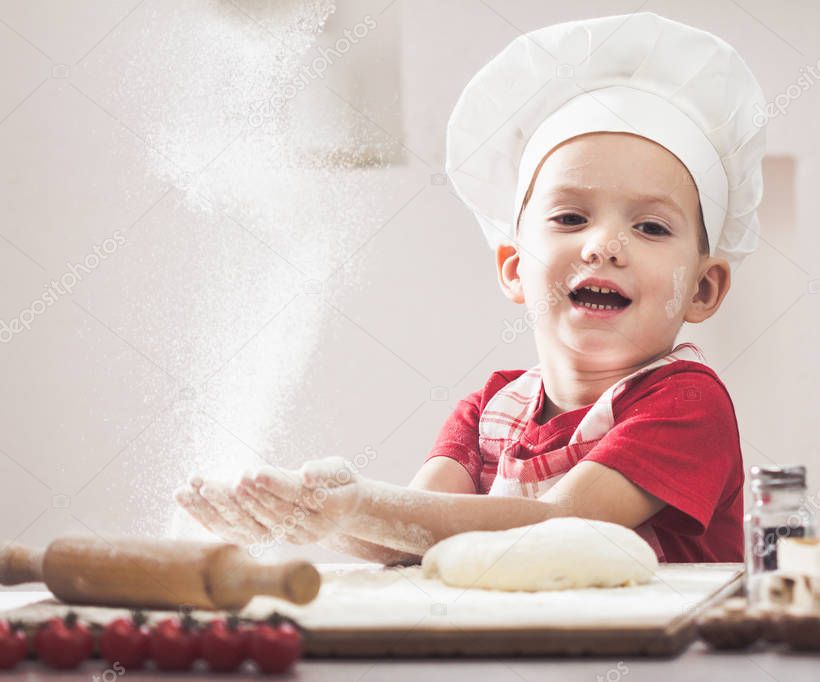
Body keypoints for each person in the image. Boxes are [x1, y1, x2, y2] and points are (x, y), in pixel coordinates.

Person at [176, 11, 767, 564]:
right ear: (513, 267)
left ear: (703, 289)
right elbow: (413, 538)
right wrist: (304, 513)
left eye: (650, 226)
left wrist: (355, 503)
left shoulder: (688, 405)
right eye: (570, 218)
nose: (603, 246)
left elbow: (558, 527)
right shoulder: (490, 412)